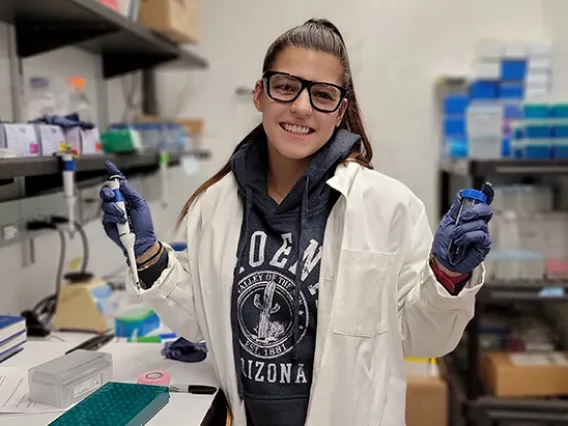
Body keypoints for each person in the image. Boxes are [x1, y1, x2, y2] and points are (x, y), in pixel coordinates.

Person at [100, 18, 493, 426]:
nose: (302, 107)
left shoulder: (387, 206)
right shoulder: (213, 206)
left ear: (340, 111)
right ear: (260, 94)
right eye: (286, 87)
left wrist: (447, 277)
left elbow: (424, 336)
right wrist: (146, 253)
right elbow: (202, 322)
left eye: (323, 95)